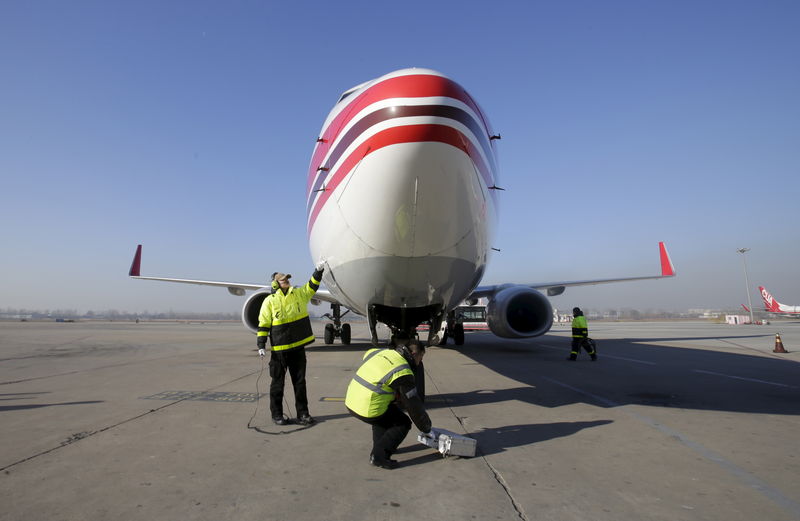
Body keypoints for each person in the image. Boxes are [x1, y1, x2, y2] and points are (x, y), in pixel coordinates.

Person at [345, 332, 432, 469]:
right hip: (367, 407)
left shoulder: (380, 352)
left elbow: (367, 356)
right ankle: (379, 457)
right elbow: (413, 406)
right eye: (421, 357)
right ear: (415, 354)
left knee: (385, 413)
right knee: (402, 423)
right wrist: (426, 426)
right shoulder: (403, 370)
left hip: (351, 400)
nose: (420, 362)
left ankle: (380, 444)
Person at [256, 264, 324, 425]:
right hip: (279, 351)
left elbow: (312, 286)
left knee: (300, 383)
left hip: (297, 348)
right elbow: (263, 323)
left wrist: (318, 272)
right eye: (283, 279)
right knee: (277, 384)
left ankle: (303, 414)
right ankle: (277, 415)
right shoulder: (269, 301)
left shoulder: (299, 294)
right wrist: (261, 344)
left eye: (287, 278)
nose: (286, 280)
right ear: (275, 284)